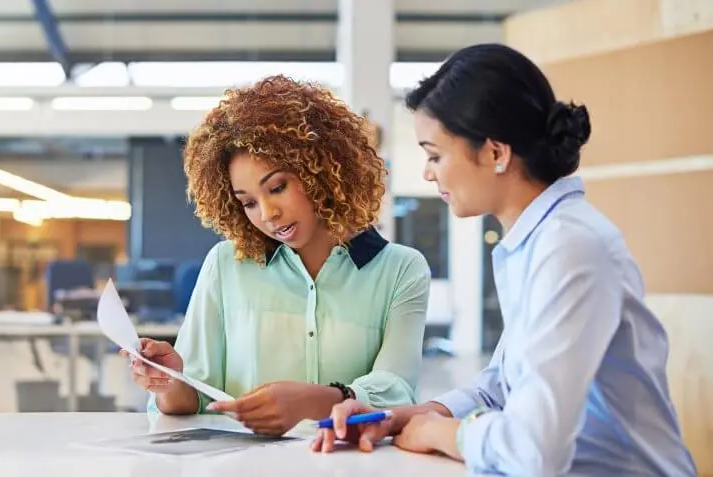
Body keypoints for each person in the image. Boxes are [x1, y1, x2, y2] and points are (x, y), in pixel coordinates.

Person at [311, 43, 697, 477]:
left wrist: (440, 433)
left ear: (496, 153)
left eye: (435, 155)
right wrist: (411, 415)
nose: (427, 173)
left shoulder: (571, 247)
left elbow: (534, 451)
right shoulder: (534, 241)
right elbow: (502, 385)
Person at [122, 75, 431, 437]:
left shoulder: (400, 270)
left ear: (321, 171)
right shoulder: (226, 265)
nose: (267, 214)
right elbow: (193, 403)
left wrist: (314, 400)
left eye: (278, 187)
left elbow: (397, 391)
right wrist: (169, 379)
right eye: (248, 202)